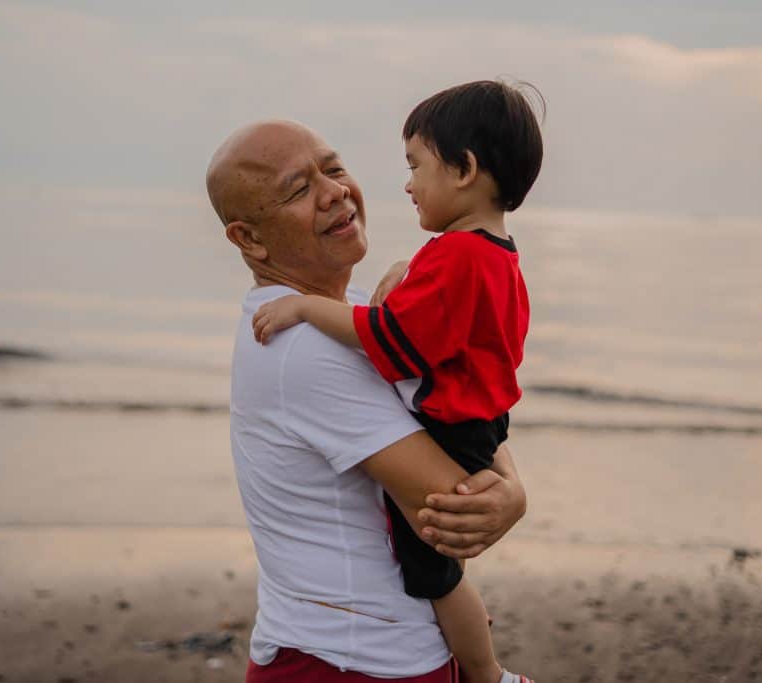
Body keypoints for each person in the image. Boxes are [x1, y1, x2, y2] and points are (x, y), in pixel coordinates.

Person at [208, 119, 530, 682]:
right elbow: (451, 499)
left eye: (333, 169)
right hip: (348, 661)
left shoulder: (349, 312)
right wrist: (507, 492)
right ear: (249, 239)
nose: (334, 192)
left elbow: (458, 401)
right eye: (299, 189)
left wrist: (512, 490)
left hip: (372, 647)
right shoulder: (300, 345)